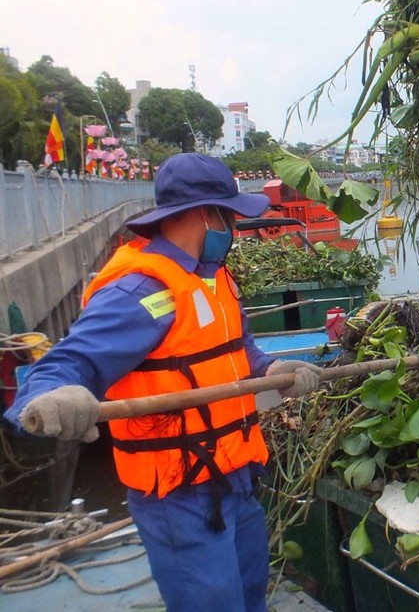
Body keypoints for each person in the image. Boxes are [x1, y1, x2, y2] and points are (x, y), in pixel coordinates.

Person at [3, 153, 321, 612]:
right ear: (204, 214)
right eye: (228, 215)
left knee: (251, 594)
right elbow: (67, 363)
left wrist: (272, 371)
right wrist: (50, 397)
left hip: (236, 479)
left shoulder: (211, 278)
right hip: (181, 496)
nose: (231, 228)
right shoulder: (143, 293)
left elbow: (240, 349)